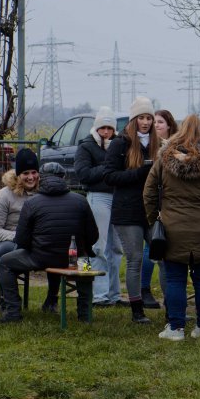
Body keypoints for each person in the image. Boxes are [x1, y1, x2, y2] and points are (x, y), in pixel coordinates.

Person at [144, 115, 200, 341]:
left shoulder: (164, 161)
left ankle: (175, 328)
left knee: (175, 280)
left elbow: (149, 193)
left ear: (179, 132)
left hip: (173, 230)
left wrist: (155, 220)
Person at [0, 163, 99, 323]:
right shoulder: (81, 200)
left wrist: (38, 246)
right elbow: (93, 236)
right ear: (63, 177)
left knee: (4, 262)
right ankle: (85, 315)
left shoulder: (32, 203)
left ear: (41, 179)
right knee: (85, 265)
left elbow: (21, 240)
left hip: (41, 257)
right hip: (75, 258)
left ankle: (12, 312)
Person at [104, 96, 161, 324]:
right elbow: (109, 176)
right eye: (141, 118)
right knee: (135, 259)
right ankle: (137, 310)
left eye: (149, 118)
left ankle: (173, 307)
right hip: (127, 211)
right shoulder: (120, 143)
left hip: (152, 210)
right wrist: (138, 173)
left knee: (164, 256)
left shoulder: (158, 144)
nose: (145, 122)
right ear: (133, 119)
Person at [74, 108, 126, 308]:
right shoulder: (86, 146)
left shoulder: (119, 145)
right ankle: (99, 294)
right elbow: (83, 174)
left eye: (109, 128)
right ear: (96, 128)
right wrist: (109, 167)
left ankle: (114, 294)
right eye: (102, 128)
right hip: (98, 197)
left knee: (116, 248)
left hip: (117, 197)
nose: (106, 132)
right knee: (98, 246)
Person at [137, 109, 180, 309]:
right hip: (152, 200)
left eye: (160, 122)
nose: (155, 125)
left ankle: (169, 298)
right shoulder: (148, 145)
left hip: (170, 201)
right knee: (152, 246)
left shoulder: (175, 146)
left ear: (169, 125)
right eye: (154, 122)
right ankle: (144, 289)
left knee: (163, 250)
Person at [0, 148, 40, 311]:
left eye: (34, 172)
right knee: (4, 253)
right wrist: (19, 236)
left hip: (39, 242)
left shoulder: (44, 192)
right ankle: (8, 300)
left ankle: (52, 299)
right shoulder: (5, 194)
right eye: (26, 173)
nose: (31, 177)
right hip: (11, 241)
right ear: (18, 174)